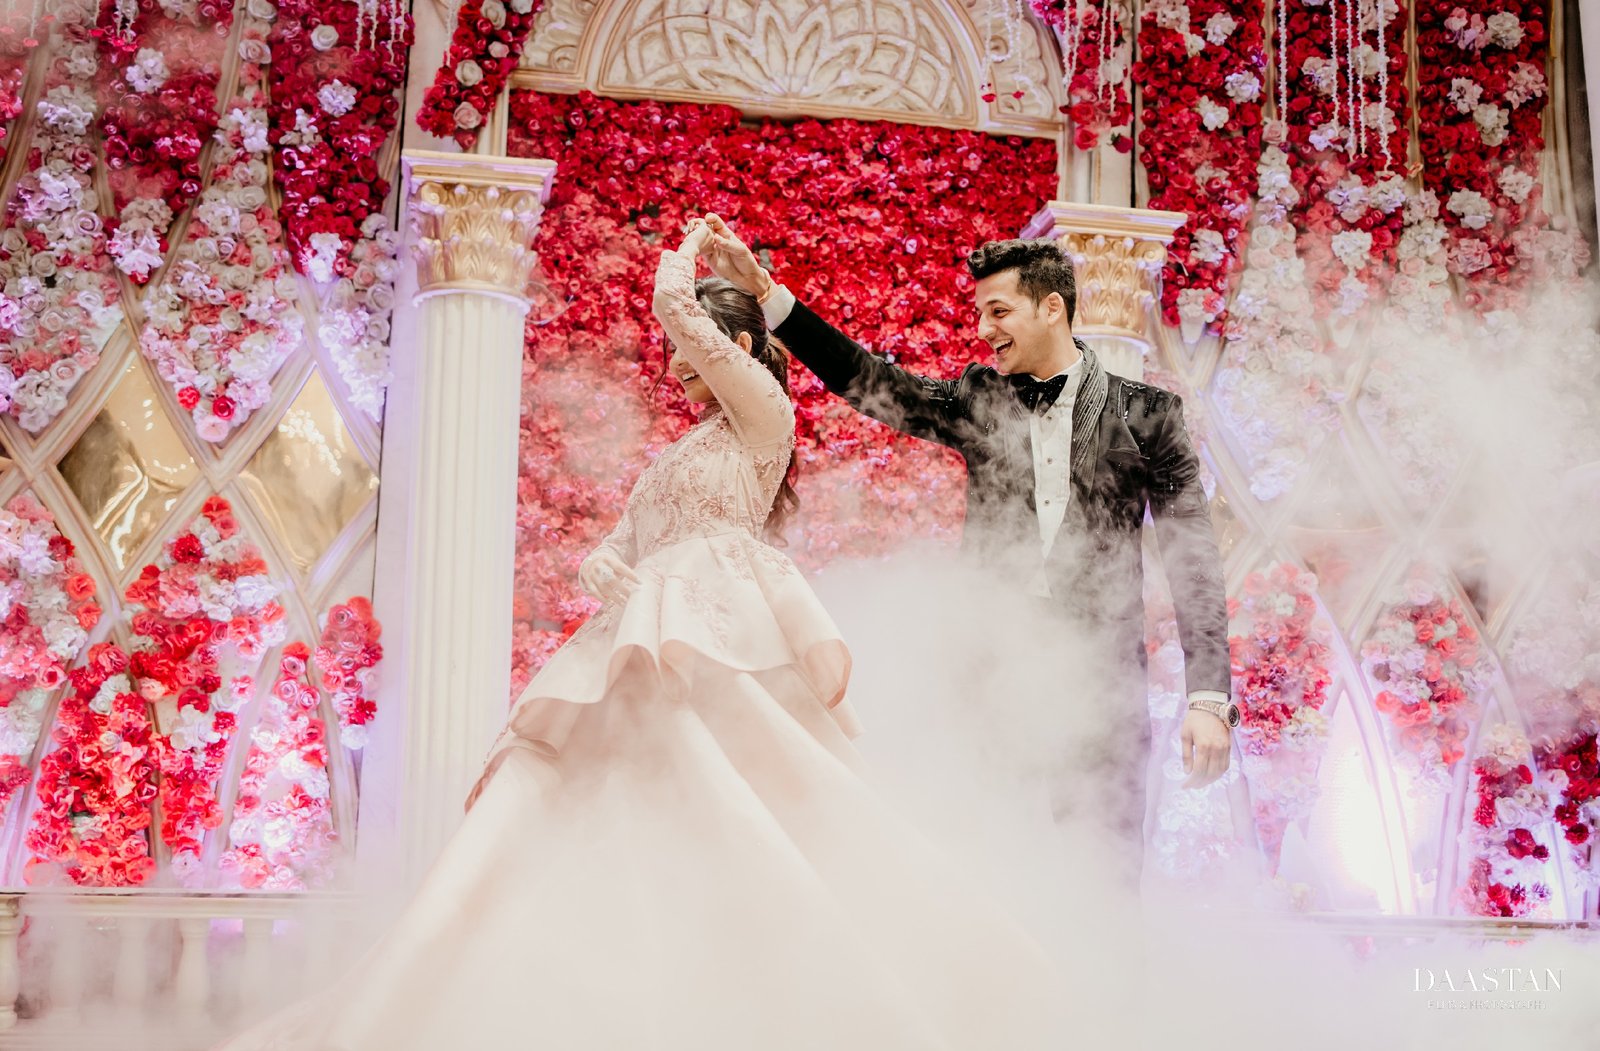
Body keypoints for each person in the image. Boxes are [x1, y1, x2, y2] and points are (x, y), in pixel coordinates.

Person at [216, 220, 1063, 1050]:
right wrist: (603, 568)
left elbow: (679, 311)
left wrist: (691, 250)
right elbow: (619, 543)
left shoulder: (764, 414)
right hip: (639, 636)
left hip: (717, 636)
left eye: (693, 352)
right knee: (577, 815)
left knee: (751, 804)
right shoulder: (679, 451)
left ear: (731, 340)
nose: (674, 366)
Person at [698, 218, 1237, 870]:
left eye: (998, 310)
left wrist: (1207, 699)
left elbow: (1194, 559)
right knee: (987, 871)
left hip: (1101, 698)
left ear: (1052, 307)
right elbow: (871, 382)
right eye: (979, 311)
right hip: (989, 687)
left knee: (1104, 874)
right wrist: (769, 296)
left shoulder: (1150, 414)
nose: (983, 329)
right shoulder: (979, 397)